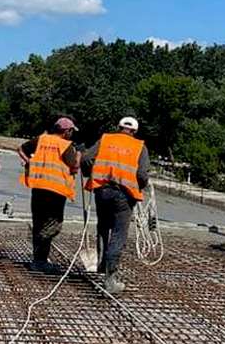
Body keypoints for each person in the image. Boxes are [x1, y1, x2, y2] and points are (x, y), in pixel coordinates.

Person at [81, 117, 149, 294]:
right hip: (124, 195)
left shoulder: (105, 139)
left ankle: (102, 265)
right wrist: (139, 187)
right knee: (119, 234)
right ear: (134, 132)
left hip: (102, 191)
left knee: (103, 226)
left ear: (118, 128)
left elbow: (86, 158)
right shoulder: (140, 146)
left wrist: (89, 172)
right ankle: (110, 279)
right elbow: (142, 174)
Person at [19, 117, 81, 272]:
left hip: (39, 187)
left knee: (39, 222)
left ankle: (38, 260)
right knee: (53, 225)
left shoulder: (41, 139)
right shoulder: (66, 145)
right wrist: (79, 155)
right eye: (71, 131)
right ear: (66, 131)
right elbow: (74, 168)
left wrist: (29, 162)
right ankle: (40, 259)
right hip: (56, 191)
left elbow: (21, 149)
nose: (71, 134)